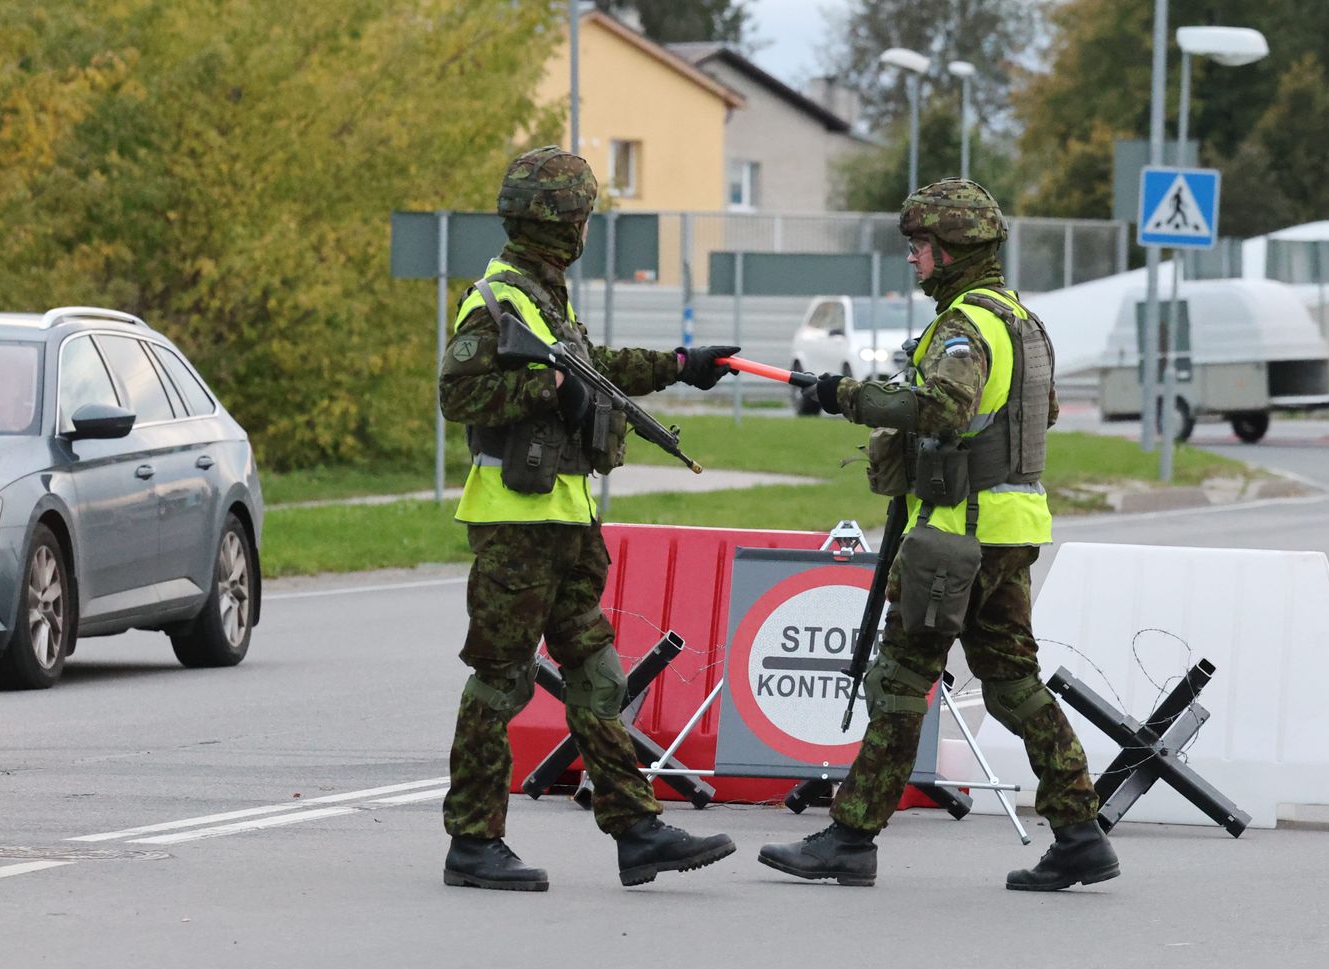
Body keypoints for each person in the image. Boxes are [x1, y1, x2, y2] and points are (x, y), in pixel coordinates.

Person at [757, 179, 1120, 891]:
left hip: (957, 535)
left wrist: (848, 395)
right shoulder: (1020, 319)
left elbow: (944, 407)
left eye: (920, 248)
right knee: (1013, 681)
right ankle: (1080, 831)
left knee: (898, 681)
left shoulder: (963, 327)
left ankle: (852, 835)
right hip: (1009, 527)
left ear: (950, 252)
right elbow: (1038, 414)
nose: (914, 262)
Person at [437, 146, 742, 890]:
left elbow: (593, 367)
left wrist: (679, 364)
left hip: (563, 518)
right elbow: (460, 396)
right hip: (516, 522)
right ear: (564, 222)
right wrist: (546, 393)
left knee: (598, 673)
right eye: (581, 217)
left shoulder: (545, 297)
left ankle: (636, 830)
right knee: (500, 679)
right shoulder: (499, 297)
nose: (584, 229)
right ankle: (472, 841)